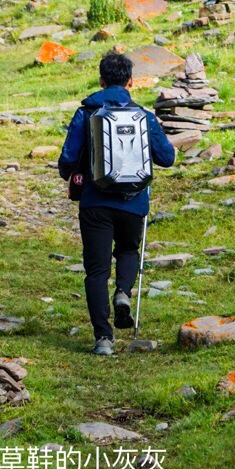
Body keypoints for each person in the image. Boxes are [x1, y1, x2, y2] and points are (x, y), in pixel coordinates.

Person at [57, 51, 176, 356]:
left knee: (96, 271)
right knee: (127, 250)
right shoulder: (144, 115)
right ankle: (123, 291)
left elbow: (67, 160)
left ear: (101, 80)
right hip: (133, 201)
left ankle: (103, 339)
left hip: (95, 203)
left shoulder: (86, 112)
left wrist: (73, 173)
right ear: (131, 82)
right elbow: (167, 158)